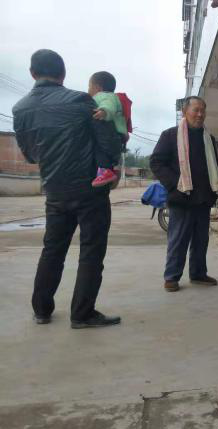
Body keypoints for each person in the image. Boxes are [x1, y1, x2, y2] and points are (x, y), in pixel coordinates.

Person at [12, 49, 122, 328]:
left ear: (32, 74)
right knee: (91, 251)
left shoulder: (20, 109)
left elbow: (29, 155)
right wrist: (110, 165)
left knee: (52, 250)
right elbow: (108, 142)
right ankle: (82, 314)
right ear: (63, 74)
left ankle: (42, 311)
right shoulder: (80, 100)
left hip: (54, 191)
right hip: (90, 190)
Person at [150, 96, 218, 292]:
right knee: (178, 240)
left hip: (203, 198)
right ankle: (171, 277)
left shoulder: (208, 139)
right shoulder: (170, 135)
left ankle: (198, 274)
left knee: (201, 240)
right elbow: (156, 162)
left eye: (202, 111)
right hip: (181, 198)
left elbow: (215, 166)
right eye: (195, 110)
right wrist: (175, 185)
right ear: (185, 112)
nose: (200, 114)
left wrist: (216, 188)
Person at [88, 71, 128, 187]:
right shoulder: (112, 96)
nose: (88, 90)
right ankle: (109, 171)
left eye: (89, 86)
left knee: (101, 150)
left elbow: (108, 104)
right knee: (107, 153)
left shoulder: (104, 96)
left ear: (98, 88)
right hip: (116, 135)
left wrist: (103, 111)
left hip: (111, 133)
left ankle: (106, 172)